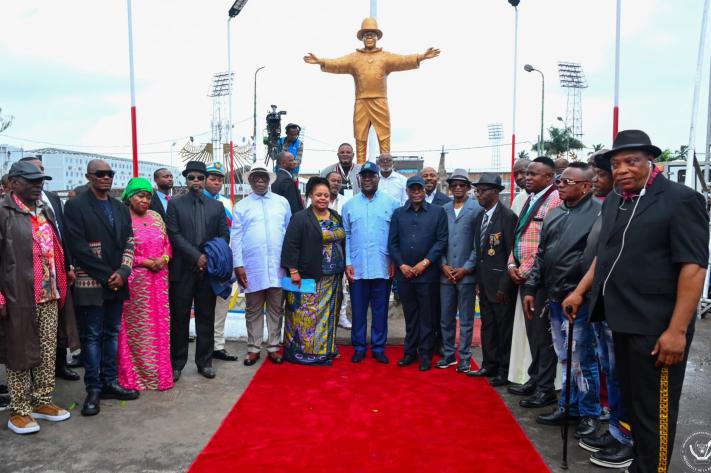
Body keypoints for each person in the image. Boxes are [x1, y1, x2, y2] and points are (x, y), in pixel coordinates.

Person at [563, 130, 709, 473]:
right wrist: (581, 291)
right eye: (616, 164)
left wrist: (676, 331)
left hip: (658, 328)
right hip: (620, 320)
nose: (623, 170)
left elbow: (693, 268)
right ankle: (639, 465)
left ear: (650, 161)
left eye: (632, 161)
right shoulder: (615, 200)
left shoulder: (680, 199)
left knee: (653, 414)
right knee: (631, 404)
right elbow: (605, 255)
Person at [522, 162, 601, 439]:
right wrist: (531, 287)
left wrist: (578, 291)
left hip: (578, 298)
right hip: (554, 296)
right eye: (559, 181)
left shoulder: (598, 214)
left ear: (585, 186)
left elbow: (594, 260)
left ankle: (589, 412)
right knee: (565, 357)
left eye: (567, 181)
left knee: (582, 359)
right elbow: (542, 254)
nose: (561, 185)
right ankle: (568, 406)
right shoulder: (554, 213)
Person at [0, 161, 71, 434]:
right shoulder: (4, 211)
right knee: (20, 353)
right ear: (15, 182)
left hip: (49, 293)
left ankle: (42, 401)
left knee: (47, 350)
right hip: (18, 295)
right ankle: (19, 411)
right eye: (32, 180)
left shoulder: (42, 211)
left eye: (41, 180)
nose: (39, 184)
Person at [64, 159, 138, 417]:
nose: (106, 177)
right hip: (91, 283)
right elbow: (77, 247)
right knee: (92, 337)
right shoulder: (75, 206)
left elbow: (130, 240)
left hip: (117, 281)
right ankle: (93, 388)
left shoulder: (120, 207)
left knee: (112, 333)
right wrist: (109, 275)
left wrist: (124, 271)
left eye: (110, 173)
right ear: (89, 176)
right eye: (101, 174)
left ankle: (109, 382)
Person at [578, 148, 634, 470]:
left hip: (621, 306)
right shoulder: (611, 205)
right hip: (598, 302)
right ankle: (615, 430)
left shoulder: (628, 206)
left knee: (620, 374)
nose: (595, 179)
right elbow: (599, 256)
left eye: (599, 174)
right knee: (610, 372)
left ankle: (627, 437)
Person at [166, 161, 230, 381]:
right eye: (191, 177)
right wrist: (196, 256)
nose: (196, 181)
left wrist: (208, 258)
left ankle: (205, 362)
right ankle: (176, 363)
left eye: (199, 178)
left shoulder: (217, 207)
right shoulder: (175, 204)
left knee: (206, 317)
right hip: (182, 271)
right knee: (179, 318)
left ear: (204, 180)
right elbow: (173, 234)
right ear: (186, 179)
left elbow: (224, 237)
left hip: (208, 271)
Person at [507, 157, 562, 408]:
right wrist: (511, 264)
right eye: (526, 174)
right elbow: (519, 236)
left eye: (533, 174)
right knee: (533, 334)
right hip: (524, 275)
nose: (527, 178)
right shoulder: (530, 199)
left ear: (549, 178)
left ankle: (545, 388)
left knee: (542, 335)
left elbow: (545, 243)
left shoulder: (554, 201)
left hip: (539, 278)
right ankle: (535, 377)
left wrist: (525, 269)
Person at [20, 156, 80, 382]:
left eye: (42, 173)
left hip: (56, 274)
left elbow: (61, 235)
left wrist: (68, 265)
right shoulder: (11, 207)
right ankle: (33, 379)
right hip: (27, 279)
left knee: (57, 325)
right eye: (34, 174)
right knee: (31, 332)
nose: (39, 179)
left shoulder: (53, 199)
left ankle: (59, 366)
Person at [116, 178, 173, 391]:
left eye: (148, 196)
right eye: (140, 195)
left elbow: (168, 244)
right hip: (136, 281)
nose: (145, 200)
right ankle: (135, 377)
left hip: (159, 281)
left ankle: (160, 376)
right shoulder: (122, 218)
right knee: (136, 331)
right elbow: (120, 250)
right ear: (129, 197)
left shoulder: (157, 217)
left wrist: (164, 259)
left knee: (160, 327)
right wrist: (144, 261)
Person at [281, 177, 346, 365]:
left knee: (328, 315)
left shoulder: (335, 216)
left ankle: (326, 349)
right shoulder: (301, 217)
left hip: (333, 278)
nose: (323, 198)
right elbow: (291, 246)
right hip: (308, 276)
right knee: (305, 315)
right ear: (310, 195)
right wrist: (293, 270)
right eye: (318, 195)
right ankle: (304, 353)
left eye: (326, 195)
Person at [231, 166, 291, 366]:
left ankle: (274, 346)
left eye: (263, 177)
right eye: (255, 177)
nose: (259, 181)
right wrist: (238, 265)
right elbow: (236, 237)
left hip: (277, 266)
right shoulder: (242, 206)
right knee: (253, 309)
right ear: (250, 181)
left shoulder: (282, 203)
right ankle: (253, 348)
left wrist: (290, 264)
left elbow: (289, 233)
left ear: (269, 180)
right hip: (252, 266)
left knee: (276, 308)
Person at [342, 162, 400, 363]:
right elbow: (347, 235)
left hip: (383, 267)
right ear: (359, 179)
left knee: (380, 310)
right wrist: (348, 262)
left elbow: (395, 236)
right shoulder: (349, 205)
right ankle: (358, 347)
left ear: (378, 178)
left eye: (371, 176)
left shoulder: (392, 204)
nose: (367, 179)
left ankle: (378, 347)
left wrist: (393, 260)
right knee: (358, 311)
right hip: (357, 268)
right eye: (364, 176)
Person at [388, 176, 448, 371]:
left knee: (427, 317)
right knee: (410, 315)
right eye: (412, 189)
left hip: (427, 274)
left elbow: (441, 241)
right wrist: (402, 265)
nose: (416, 192)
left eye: (419, 189)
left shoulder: (438, 213)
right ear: (407, 191)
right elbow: (393, 243)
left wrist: (425, 262)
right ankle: (409, 352)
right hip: (404, 275)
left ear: (425, 190)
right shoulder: (398, 214)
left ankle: (425, 355)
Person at [470, 173, 518, 386]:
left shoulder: (507, 217)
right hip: (484, 283)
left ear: (497, 192)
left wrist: (505, 286)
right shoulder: (481, 217)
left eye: (484, 190)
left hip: (501, 285)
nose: (479, 193)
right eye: (478, 190)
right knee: (488, 326)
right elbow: (480, 253)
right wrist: (478, 282)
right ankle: (489, 364)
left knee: (503, 329)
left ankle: (504, 369)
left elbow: (511, 253)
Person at [436, 169, 482, 372]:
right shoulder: (443, 209)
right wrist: (443, 264)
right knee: (445, 318)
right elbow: (439, 240)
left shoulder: (476, 209)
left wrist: (467, 268)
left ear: (468, 187)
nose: (457, 188)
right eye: (454, 184)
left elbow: (478, 243)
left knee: (465, 319)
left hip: (466, 275)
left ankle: (464, 356)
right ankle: (448, 354)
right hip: (445, 273)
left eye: (462, 185)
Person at [203, 162, 239, 362]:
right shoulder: (197, 200)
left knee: (222, 305)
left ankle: (218, 345)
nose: (216, 182)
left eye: (219, 179)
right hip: (204, 262)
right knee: (204, 306)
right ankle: (205, 346)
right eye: (212, 178)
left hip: (224, 262)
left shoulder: (227, 203)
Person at [271, 151, 304, 215]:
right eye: (291, 161)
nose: (294, 162)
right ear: (283, 163)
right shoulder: (287, 180)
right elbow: (293, 205)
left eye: (294, 160)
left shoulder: (276, 177)